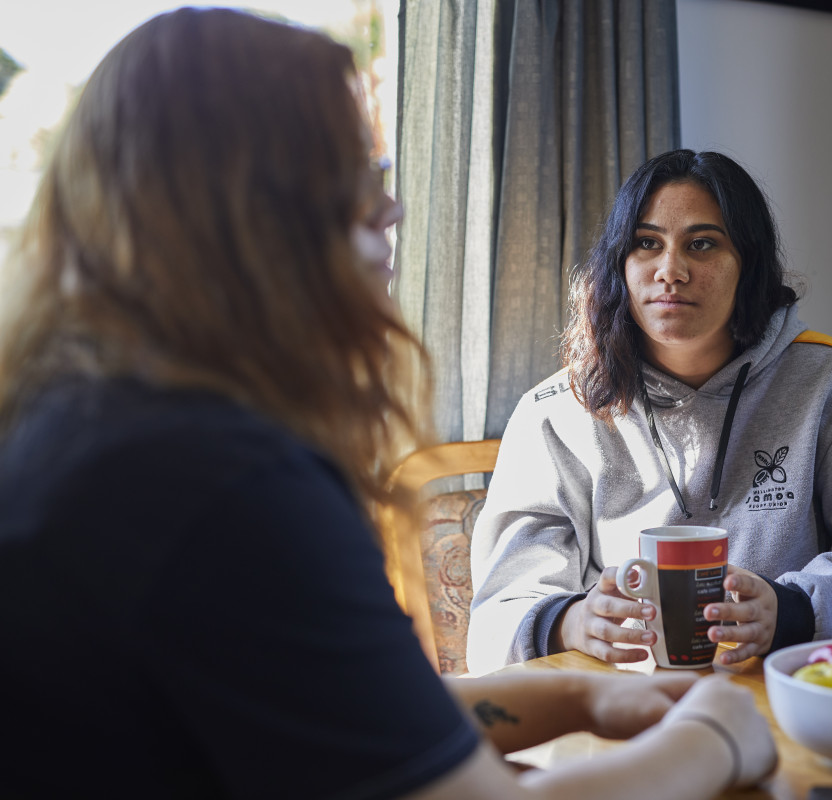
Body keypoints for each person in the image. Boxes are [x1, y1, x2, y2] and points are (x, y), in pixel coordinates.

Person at [0, 10, 777, 799]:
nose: (392, 211)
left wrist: (581, 693)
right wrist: (715, 735)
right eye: (358, 182)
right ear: (251, 218)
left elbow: (366, 710)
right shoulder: (229, 484)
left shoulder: (93, 422)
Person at [467, 149, 832, 675]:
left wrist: (794, 608)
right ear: (620, 264)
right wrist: (569, 621)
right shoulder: (557, 413)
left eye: (701, 245)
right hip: (612, 714)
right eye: (646, 244)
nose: (670, 271)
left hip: (786, 696)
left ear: (747, 264)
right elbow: (498, 613)